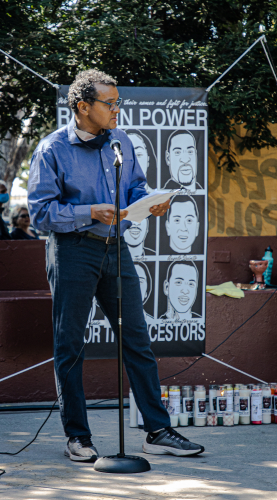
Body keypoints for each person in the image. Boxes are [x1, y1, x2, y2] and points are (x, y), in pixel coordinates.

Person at [28, 69, 204, 462]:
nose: (117, 110)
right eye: (110, 103)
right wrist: (88, 211)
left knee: (138, 341)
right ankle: (77, 436)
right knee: (70, 345)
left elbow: (136, 185)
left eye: (118, 102)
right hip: (73, 250)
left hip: (117, 248)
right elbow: (40, 214)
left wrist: (150, 201)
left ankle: (157, 431)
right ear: (82, 106)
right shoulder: (51, 149)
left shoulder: (120, 140)